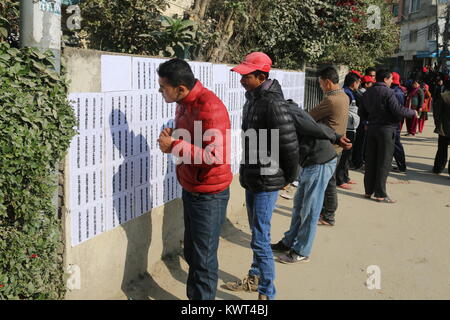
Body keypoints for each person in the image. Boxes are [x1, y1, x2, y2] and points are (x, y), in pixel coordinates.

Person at [224, 52, 299, 300]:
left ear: (261, 76)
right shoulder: (253, 99)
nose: (242, 79)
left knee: (260, 238)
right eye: (241, 74)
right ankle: (255, 278)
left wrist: (289, 176)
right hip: (253, 176)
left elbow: (288, 144)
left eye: (246, 75)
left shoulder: (272, 103)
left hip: (268, 178)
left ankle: (268, 294)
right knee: (259, 236)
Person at [156, 58, 233, 300]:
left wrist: (175, 145)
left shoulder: (210, 107)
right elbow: (193, 139)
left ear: (180, 88)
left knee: (203, 260)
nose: (160, 91)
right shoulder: (183, 103)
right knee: (192, 253)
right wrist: (174, 136)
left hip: (209, 194)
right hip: (192, 189)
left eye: (163, 87)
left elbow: (215, 156)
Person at [271, 99, 352, 264]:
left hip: (320, 161)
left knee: (310, 210)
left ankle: (302, 251)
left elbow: (315, 127)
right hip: (309, 162)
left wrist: (336, 137)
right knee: (299, 206)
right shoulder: (277, 113)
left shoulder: (288, 111)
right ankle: (289, 242)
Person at [359, 69, 418, 203]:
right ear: (385, 79)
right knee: (383, 162)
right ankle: (380, 193)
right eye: (391, 79)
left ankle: (368, 191)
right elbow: (397, 110)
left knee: (370, 161)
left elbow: (361, 111)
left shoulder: (368, 92)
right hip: (386, 129)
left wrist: (367, 122)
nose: (392, 81)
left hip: (372, 129)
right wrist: (412, 112)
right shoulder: (388, 92)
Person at [309, 67, 350, 226]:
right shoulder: (343, 96)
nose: (320, 87)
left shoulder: (331, 100)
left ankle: (328, 215)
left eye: (320, 84)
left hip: (329, 147)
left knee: (327, 183)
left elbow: (311, 116)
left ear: (327, 82)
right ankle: (326, 212)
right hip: (337, 145)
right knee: (329, 181)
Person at [336, 72, 360, 189]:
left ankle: (345, 176)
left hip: (352, 127)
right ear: (354, 83)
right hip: (347, 128)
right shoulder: (346, 93)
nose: (359, 84)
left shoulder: (351, 92)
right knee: (344, 154)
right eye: (358, 82)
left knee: (348, 154)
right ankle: (340, 180)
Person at [391, 72, 408, 173]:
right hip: (395, 122)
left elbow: (398, 110)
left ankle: (401, 166)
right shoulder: (398, 91)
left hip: (394, 123)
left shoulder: (395, 93)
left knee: (396, 144)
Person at [432, 82, 450, 176]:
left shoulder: (443, 96)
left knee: (442, 149)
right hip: (444, 128)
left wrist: (438, 126)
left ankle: (438, 168)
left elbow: (437, 114)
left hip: (444, 129)